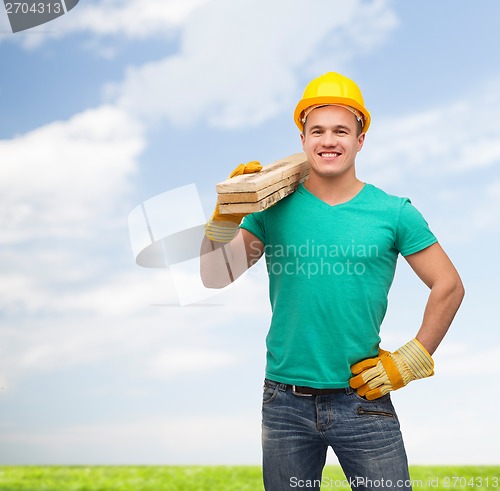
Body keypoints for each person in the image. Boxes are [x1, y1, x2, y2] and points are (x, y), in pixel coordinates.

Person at [200, 72, 464, 490]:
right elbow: (215, 276)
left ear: (360, 139)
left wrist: (411, 359)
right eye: (317, 130)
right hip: (283, 403)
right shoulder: (272, 210)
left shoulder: (393, 212)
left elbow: (448, 284)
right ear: (302, 139)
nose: (329, 140)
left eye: (342, 130)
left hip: (363, 398)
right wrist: (224, 218)